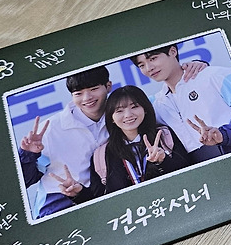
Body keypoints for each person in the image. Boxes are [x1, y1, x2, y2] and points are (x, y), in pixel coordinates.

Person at [18, 62, 206, 218]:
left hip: (105, 203)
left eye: (94, 89)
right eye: (78, 93)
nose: (87, 98)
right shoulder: (50, 129)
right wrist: (28, 154)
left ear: (108, 86)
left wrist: (197, 66)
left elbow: (163, 97)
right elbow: (26, 180)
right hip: (59, 201)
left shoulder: (123, 113)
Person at [51, 85, 190, 203]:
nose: (128, 115)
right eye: (119, 111)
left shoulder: (165, 136)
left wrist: (163, 161)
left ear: (145, 109)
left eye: (134, 107)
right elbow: (99, 200)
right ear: (111, 117)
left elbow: (189, 172)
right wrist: (79, 193)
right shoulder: (102, 155)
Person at [131, 44, 231, 163]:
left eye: (153, 59)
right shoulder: (155, 104)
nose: (149, 68)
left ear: (173, 51)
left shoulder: (214, 76)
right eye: (141, 65)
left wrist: (224, 134)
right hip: (202, 170)